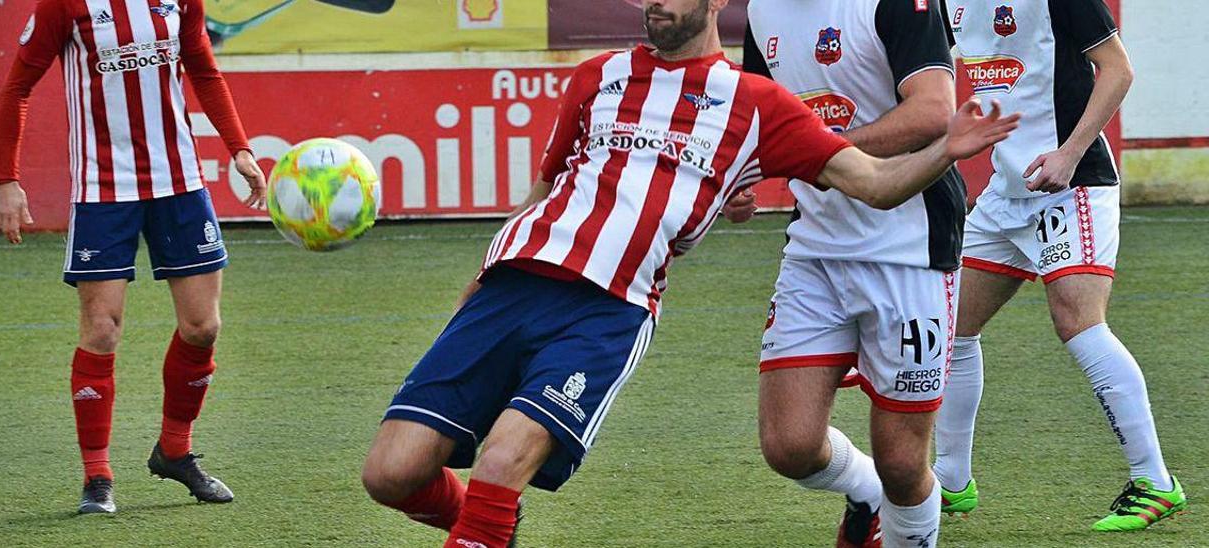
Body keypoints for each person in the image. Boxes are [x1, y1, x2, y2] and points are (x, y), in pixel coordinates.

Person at [357, 0, 1018, 546]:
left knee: (504, 462)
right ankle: (489, 523)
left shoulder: (755, 102)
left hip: (609, 305)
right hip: (512, 288)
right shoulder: (595, 77)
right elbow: (544, 194)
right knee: (389, 474)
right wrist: (481, 281)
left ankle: (488, 522)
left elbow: (873, 179)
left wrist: (945, 150)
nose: (653, 3)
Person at [0, 0, 267, 514]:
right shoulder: (65, 4)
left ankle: (175, 451)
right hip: (102, 190)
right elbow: (17, 88)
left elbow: (203, 68)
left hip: (180, 183)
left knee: (203, 326)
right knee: (101, 330)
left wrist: (240, 148)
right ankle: (97, 477)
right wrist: (6, 178)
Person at [936, 0, 1186, 531]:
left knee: (1077, 320)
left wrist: (1069, 153)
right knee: (951, 327)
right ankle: (951, 482)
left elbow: (1118, 69)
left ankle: (1155, 482)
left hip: (1072, 182)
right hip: (1006, 192)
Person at [733, 0, 964, 546]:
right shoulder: (762, 11)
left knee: (904, 465)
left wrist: (820, 154)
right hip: (815, 249)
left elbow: (934, 111)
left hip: (909, 250)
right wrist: (738, 174)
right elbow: (755, 117)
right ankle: (865, 494)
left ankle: (897, 512)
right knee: (788, 446)